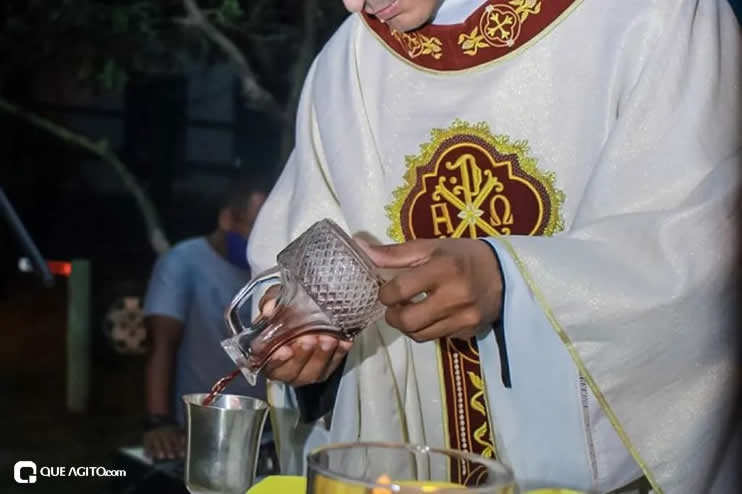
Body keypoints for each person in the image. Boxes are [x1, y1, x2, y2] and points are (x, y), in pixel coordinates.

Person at [247, 0, 741, 492]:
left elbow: (696, 259)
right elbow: (292, 267)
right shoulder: (347, 63)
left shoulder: (658, 14)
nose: (356, 4)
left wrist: (510, 281)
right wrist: (305, 340)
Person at [142, 178, 268, 460]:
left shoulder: (272, 270)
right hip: (200, 431)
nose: (263, 240)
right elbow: (161, 345)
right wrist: (158, 421)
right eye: (256, 228)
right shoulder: (182, 263)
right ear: (227, 219)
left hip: (266, 434)